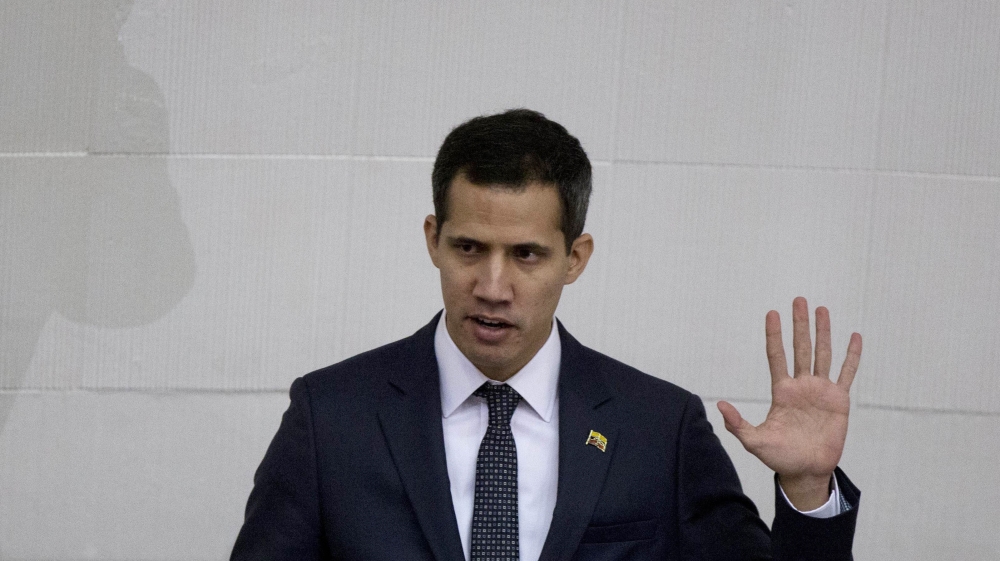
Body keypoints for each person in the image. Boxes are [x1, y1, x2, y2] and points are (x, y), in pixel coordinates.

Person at [231, 109, 862, 560]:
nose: (492, 286)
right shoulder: (330, 418)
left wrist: (808, 492)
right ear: (433, 240)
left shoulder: (658, 429)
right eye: (469, 248)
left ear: (575, 258)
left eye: (526, 254)